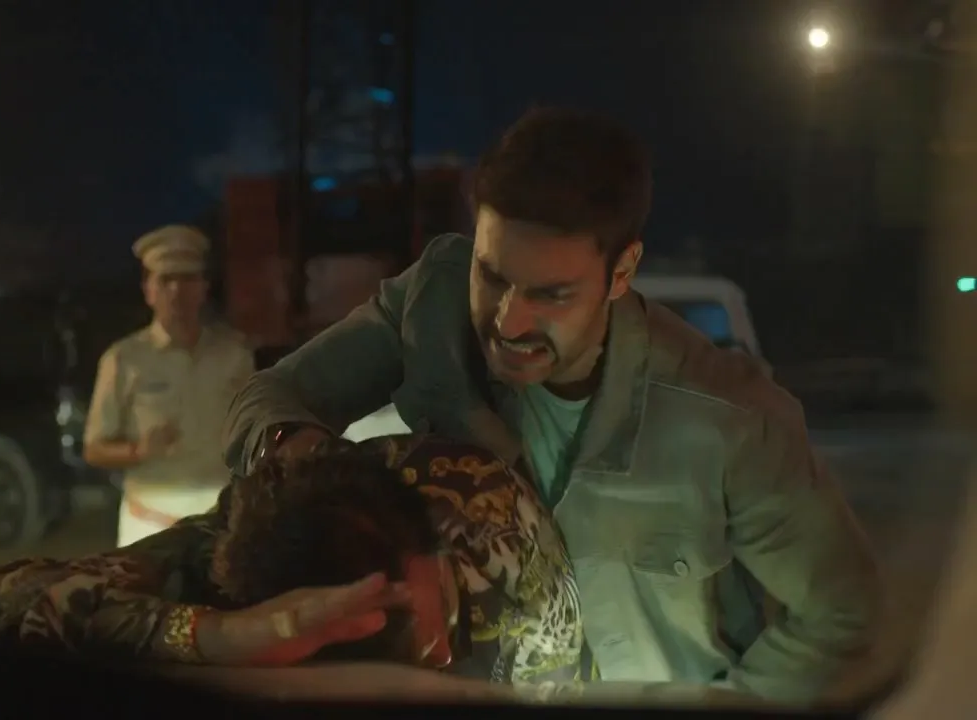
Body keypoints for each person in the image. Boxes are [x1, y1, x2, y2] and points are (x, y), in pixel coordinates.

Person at [220, 107, 881, 703]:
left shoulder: (731, 420)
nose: (508, 322)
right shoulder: (432, 305)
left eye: (552, 295)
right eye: (492, 275)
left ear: (622, 272)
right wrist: (315, 472)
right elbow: (268, 398)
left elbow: (841, 613)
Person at [0, 436, 594, 690]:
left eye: (441, 617)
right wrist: (219, 636)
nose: (442, 656)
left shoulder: (491, 529)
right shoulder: (231, 559)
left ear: (432, 549)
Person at [83, 224, 254, 547]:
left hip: (223, 528)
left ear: (203, 287)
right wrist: (138, 451)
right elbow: (94, 449)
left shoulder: (235, 354)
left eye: (188, 278)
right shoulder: (124, 360)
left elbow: (253, 430)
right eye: (165, 280)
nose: (177, 290)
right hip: (152, 529)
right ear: (148, 290)